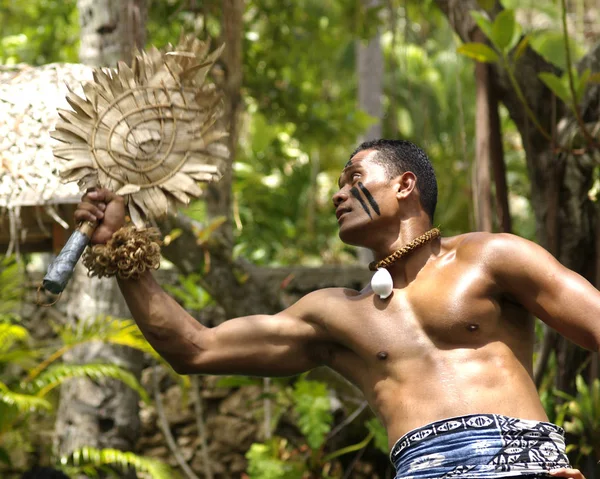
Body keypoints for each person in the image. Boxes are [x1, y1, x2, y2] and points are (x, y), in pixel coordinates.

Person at [75, 139, 595, 479]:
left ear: (405, 184)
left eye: (353, 178)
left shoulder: (493, 257)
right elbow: (194, 346)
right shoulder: (333, 314)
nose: (336, 195)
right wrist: (121, 249)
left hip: (529, 467)